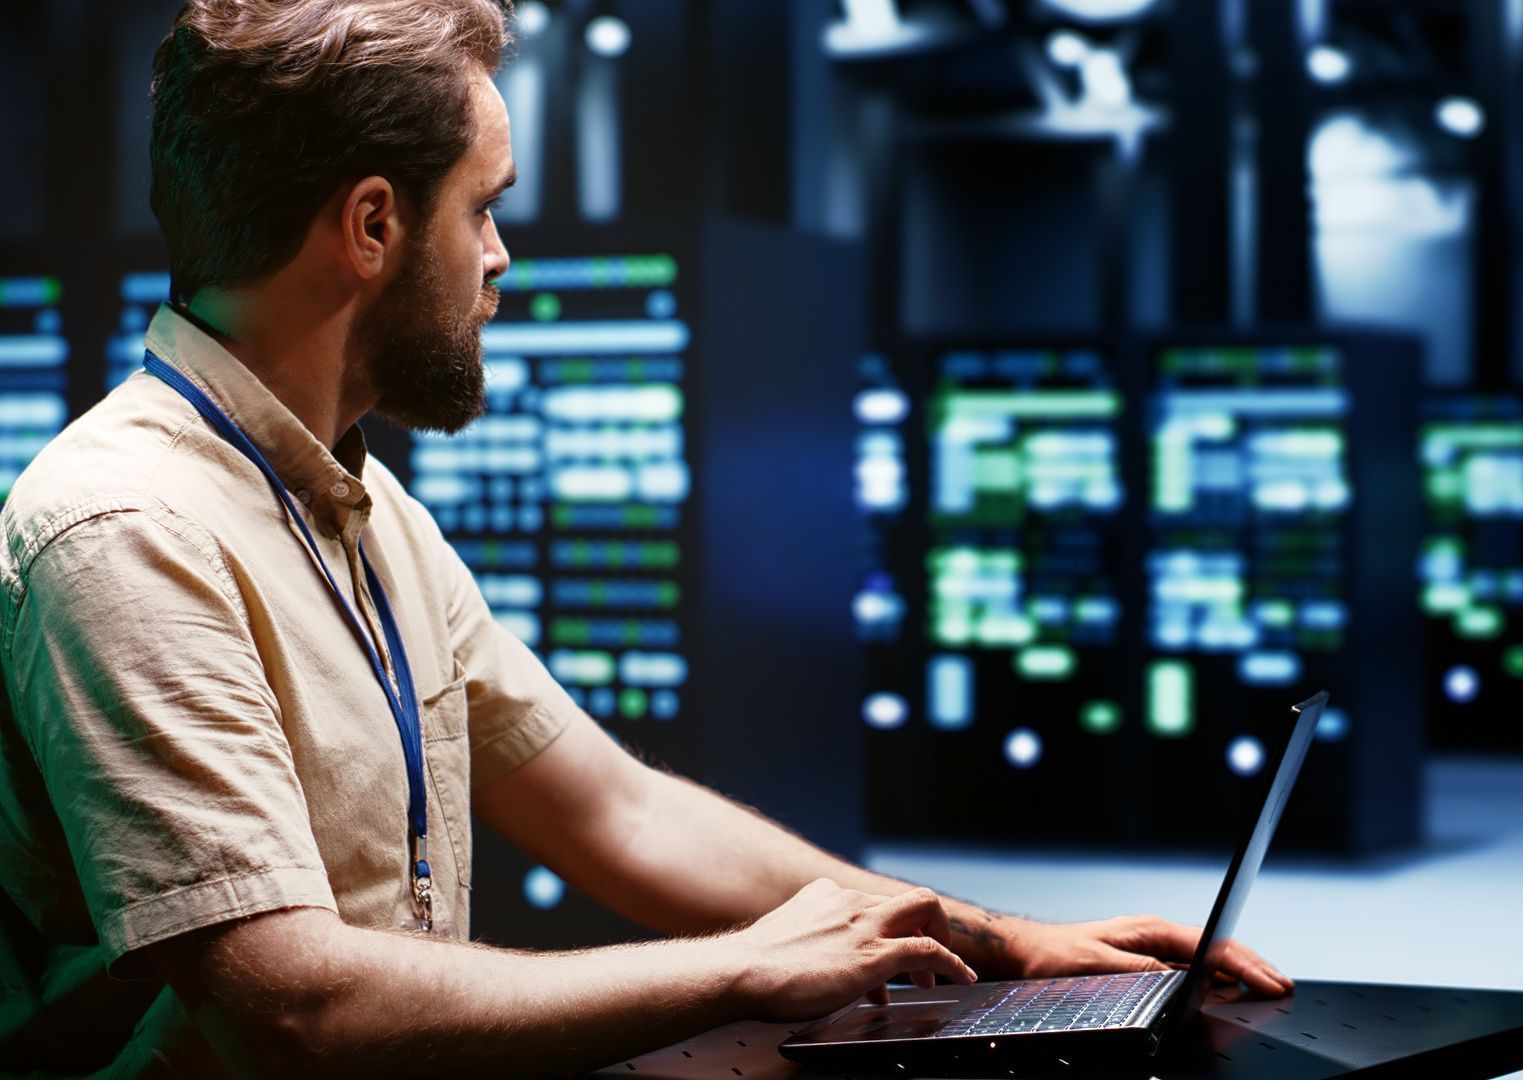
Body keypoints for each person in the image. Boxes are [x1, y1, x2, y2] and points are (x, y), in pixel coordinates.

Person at [0, 2, 1290, 1076]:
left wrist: (1001, 940)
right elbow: (287, 1002)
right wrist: (746, 967)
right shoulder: (131, 531)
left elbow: (617, 812)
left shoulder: (360, 508)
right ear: (374, 225)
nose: (501, 259)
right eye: (483, 209)